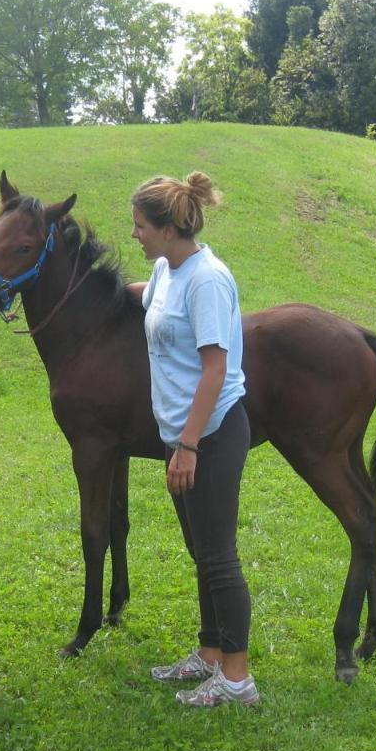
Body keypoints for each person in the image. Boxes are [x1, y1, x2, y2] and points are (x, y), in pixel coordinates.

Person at [128, 172, 258, 707]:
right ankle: (209, 653)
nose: (133, 234)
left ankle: (237, 678)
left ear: (165, 227)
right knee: (201, 552)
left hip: (211, 435)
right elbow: (147, 299)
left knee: (219, 556)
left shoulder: (207, 279)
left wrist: (187, 446)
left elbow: (215, 369)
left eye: (139, 225)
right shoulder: (167, 269)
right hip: (181, 434)